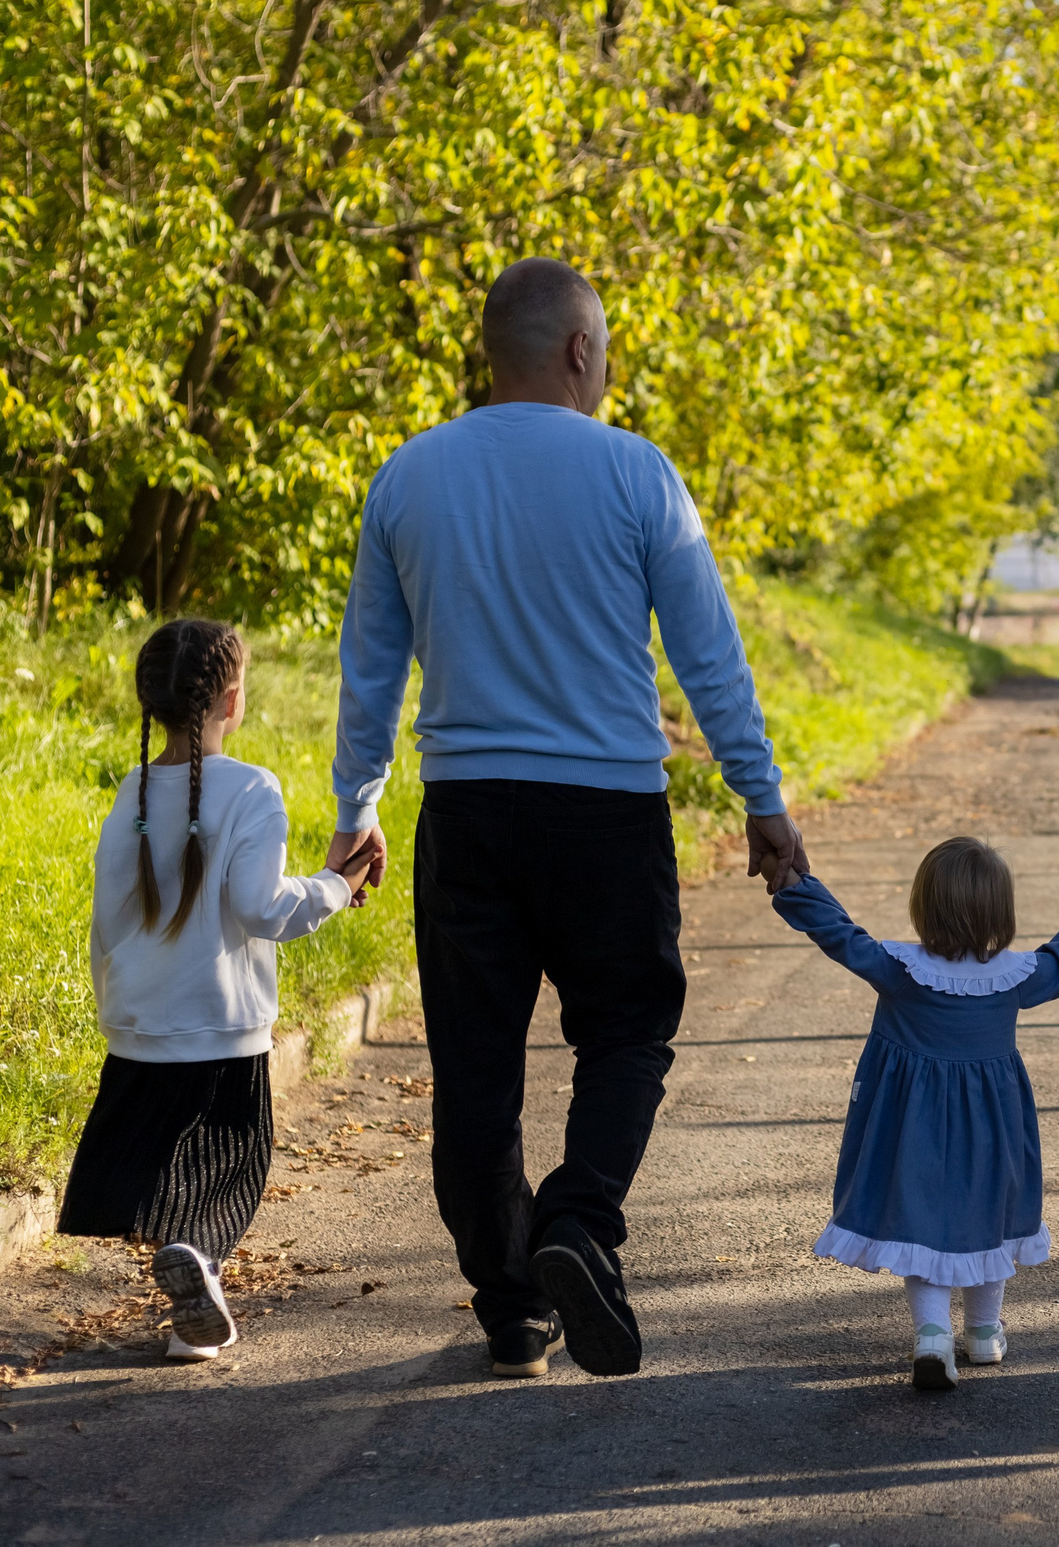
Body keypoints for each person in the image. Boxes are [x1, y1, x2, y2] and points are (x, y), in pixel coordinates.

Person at [329, 258, 808, 1380]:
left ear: (490, 352)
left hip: (467, 814)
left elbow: (369, 670)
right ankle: (579, 1227)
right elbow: (709, 659)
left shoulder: (409, 476)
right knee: (628, 1034)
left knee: (476, 1065)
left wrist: (357, 808)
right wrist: (761, 799)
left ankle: (511, 1306)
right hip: (605, 813)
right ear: (582, 352)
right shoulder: (638, 474)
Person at [63, 619, 369, 1362]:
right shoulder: (253, 788)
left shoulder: (133, 788)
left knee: (159, 1166)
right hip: (224, 1028)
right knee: (228, 1166)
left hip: (141, 1025)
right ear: (232, 699)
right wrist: (336, 885)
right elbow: (263, 906)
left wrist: (115, 1006)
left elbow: (105, 916)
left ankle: (191, 1303)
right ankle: (197, 1267)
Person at [769, 839, 1059, 1389]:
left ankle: (932, 1336)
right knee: (989, 1217)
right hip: (992, 1130)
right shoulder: (1015, 977)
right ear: (1000, 913)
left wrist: (795, 886)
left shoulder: (902, 970)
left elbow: (840, 936)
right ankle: (982, 1333)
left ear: (923, 906)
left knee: (922, 1220)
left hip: (914, 1129)